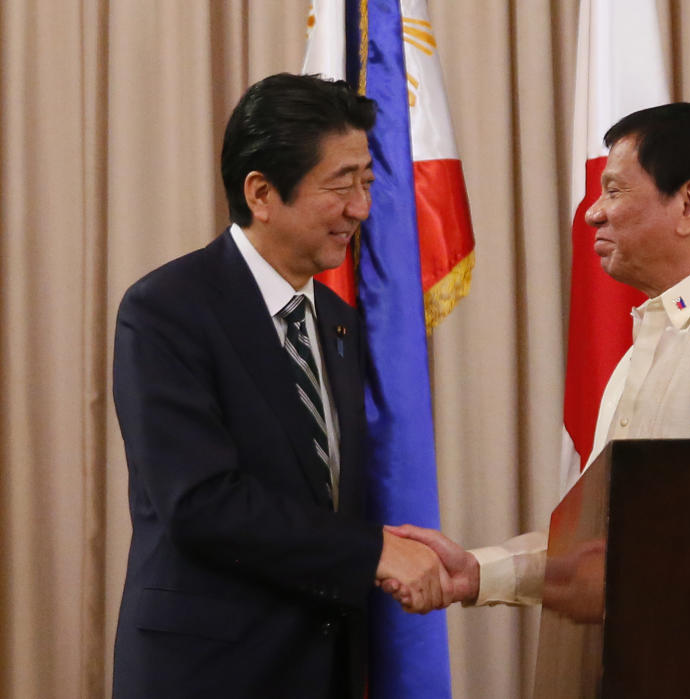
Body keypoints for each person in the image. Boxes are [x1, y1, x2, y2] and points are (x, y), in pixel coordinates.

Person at [382, 102, 690, 613]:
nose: (592, 211)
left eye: (614, 190)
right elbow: (599, 550)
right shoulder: (640, 353)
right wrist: (476, 573)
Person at [111, 74, 450, 699]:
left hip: (322, 673)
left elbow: (318, 496)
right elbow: (201, 503)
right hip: (208, 674)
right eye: (341, 184)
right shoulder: (166, 310)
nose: (361, 208)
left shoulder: (340, 324)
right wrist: (369, 550)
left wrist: (397, 547)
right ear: (262, 193)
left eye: (367, 183)